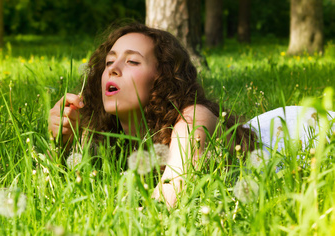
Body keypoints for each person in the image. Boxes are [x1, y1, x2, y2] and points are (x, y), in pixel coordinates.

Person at [48, 22, 257, 207]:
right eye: (109, 62)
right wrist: (61, 144)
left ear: (163, 77)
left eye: (132, 62)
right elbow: (54, 188)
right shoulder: (109, 135)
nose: (113, 69)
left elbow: (167, 201)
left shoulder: (193, 119)